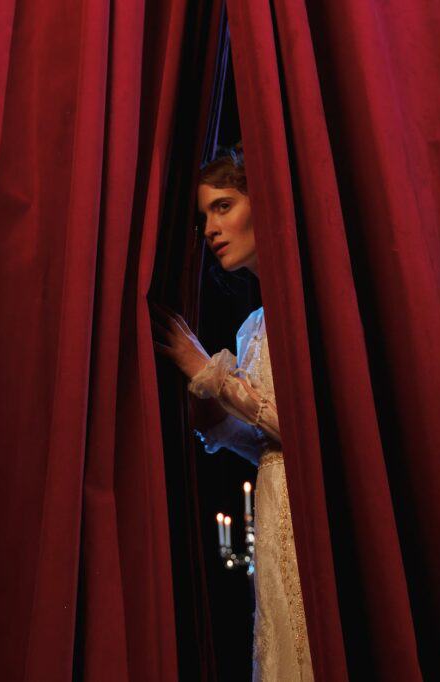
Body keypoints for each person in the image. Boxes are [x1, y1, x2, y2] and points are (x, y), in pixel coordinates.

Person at [149, 141, 314, 681]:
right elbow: (268, 442)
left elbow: (305, 429)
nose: (211, 229)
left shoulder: (304, 306)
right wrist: (215, 412)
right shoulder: (255, 327)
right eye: (205, 217)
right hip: (273, 505)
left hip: (308, 509)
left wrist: (210, 374)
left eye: (223, 206)